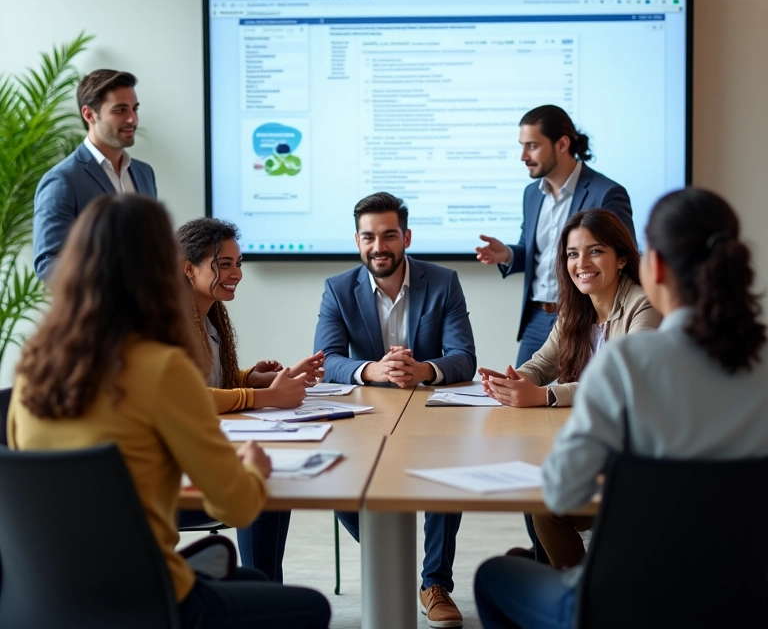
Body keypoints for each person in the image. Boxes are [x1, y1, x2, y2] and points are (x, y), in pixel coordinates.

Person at [8, 195, 331, 629]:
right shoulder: (161, 368)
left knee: (251, 577)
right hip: (145, 598)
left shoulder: (33, 368)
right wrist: (253, 469)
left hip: (42, 598)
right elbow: (234, 508)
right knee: (311, 608)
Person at [474, 187, 768, 629]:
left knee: (494, 576)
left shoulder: (630, 361)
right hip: (747, 595)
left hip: (630, 600)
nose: (582, 263)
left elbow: (561, 494)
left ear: (652, 266)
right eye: (574, 254)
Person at [314, 192, 476, 629]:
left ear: (406, 236)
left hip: (429, 407)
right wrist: (372, 370)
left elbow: (464, 357)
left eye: (389, 235)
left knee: (447, 471)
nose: (378, 246)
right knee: (335, 476)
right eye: (368, 237)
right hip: (367, 411)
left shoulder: (442, 281)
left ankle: (435, 582)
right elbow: (326, 359)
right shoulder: (338, 288)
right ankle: (393, 553)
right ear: (357, 240)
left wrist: (422, 368)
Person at [478, 209, 660, 568]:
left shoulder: (645, 305)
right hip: (591, 445)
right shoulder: (574, 310)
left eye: (595, 251)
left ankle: (577, 601)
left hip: (632, 459)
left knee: (548, 508)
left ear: (622, 258)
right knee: (541, 497)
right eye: (573, 254)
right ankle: (555, 575)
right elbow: (542, 362)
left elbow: (624, 385)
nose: (581, 263)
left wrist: (545, 395)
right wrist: (515, 380)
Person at [176, 216, 325, 582]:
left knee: (272, 487)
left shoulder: (211, 316)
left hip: (201, 452)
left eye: (237, 263)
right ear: (188, 269)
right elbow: (186, 398)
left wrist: (258, 378)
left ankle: (266, 590)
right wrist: (263, 397)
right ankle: (265, 593)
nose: (237, 273)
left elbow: (210, 381)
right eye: (223, 264)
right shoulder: (171, 322)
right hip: (173, 480)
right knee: (267, 489)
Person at [475, 104, 635, 368]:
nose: (523, 156)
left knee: (577, 397)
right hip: (537, 319)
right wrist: (509, 254)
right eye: (522, 145)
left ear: (562, 144)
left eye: (532, 146)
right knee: (519, 394)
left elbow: (623, 257)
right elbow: (537, 250)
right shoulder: (532, 193)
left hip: (583, 316)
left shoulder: (606, 193)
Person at [33, 69, 157, 281]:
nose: (132, 119)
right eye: (120, 110)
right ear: (89, 114)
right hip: (98, 312)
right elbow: (49, 264)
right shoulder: (63, 180)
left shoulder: (144, 173)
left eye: (134, 109)